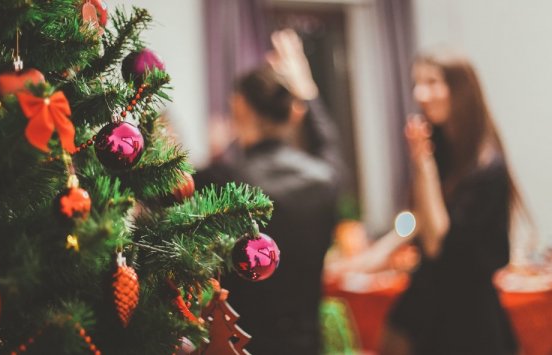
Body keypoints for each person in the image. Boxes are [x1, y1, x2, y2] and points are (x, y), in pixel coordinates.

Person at [328, 49, 521, 354]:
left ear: (460, 90)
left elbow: (435, 240)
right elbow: (417, 220)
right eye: (417, 83)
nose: (420, 93)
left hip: (466, 311)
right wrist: (370, 258)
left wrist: (423, 163)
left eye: (432, 82)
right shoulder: (444, 150)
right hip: (430, 294)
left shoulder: (487, 168)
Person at [196, 29, 345, 355]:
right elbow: (328, 144)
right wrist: (309, 93)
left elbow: (160, 194)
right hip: (306, 345)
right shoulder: (325, 177)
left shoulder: (223, 179)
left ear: (240, 108)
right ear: (294, 110)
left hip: (243, 344)